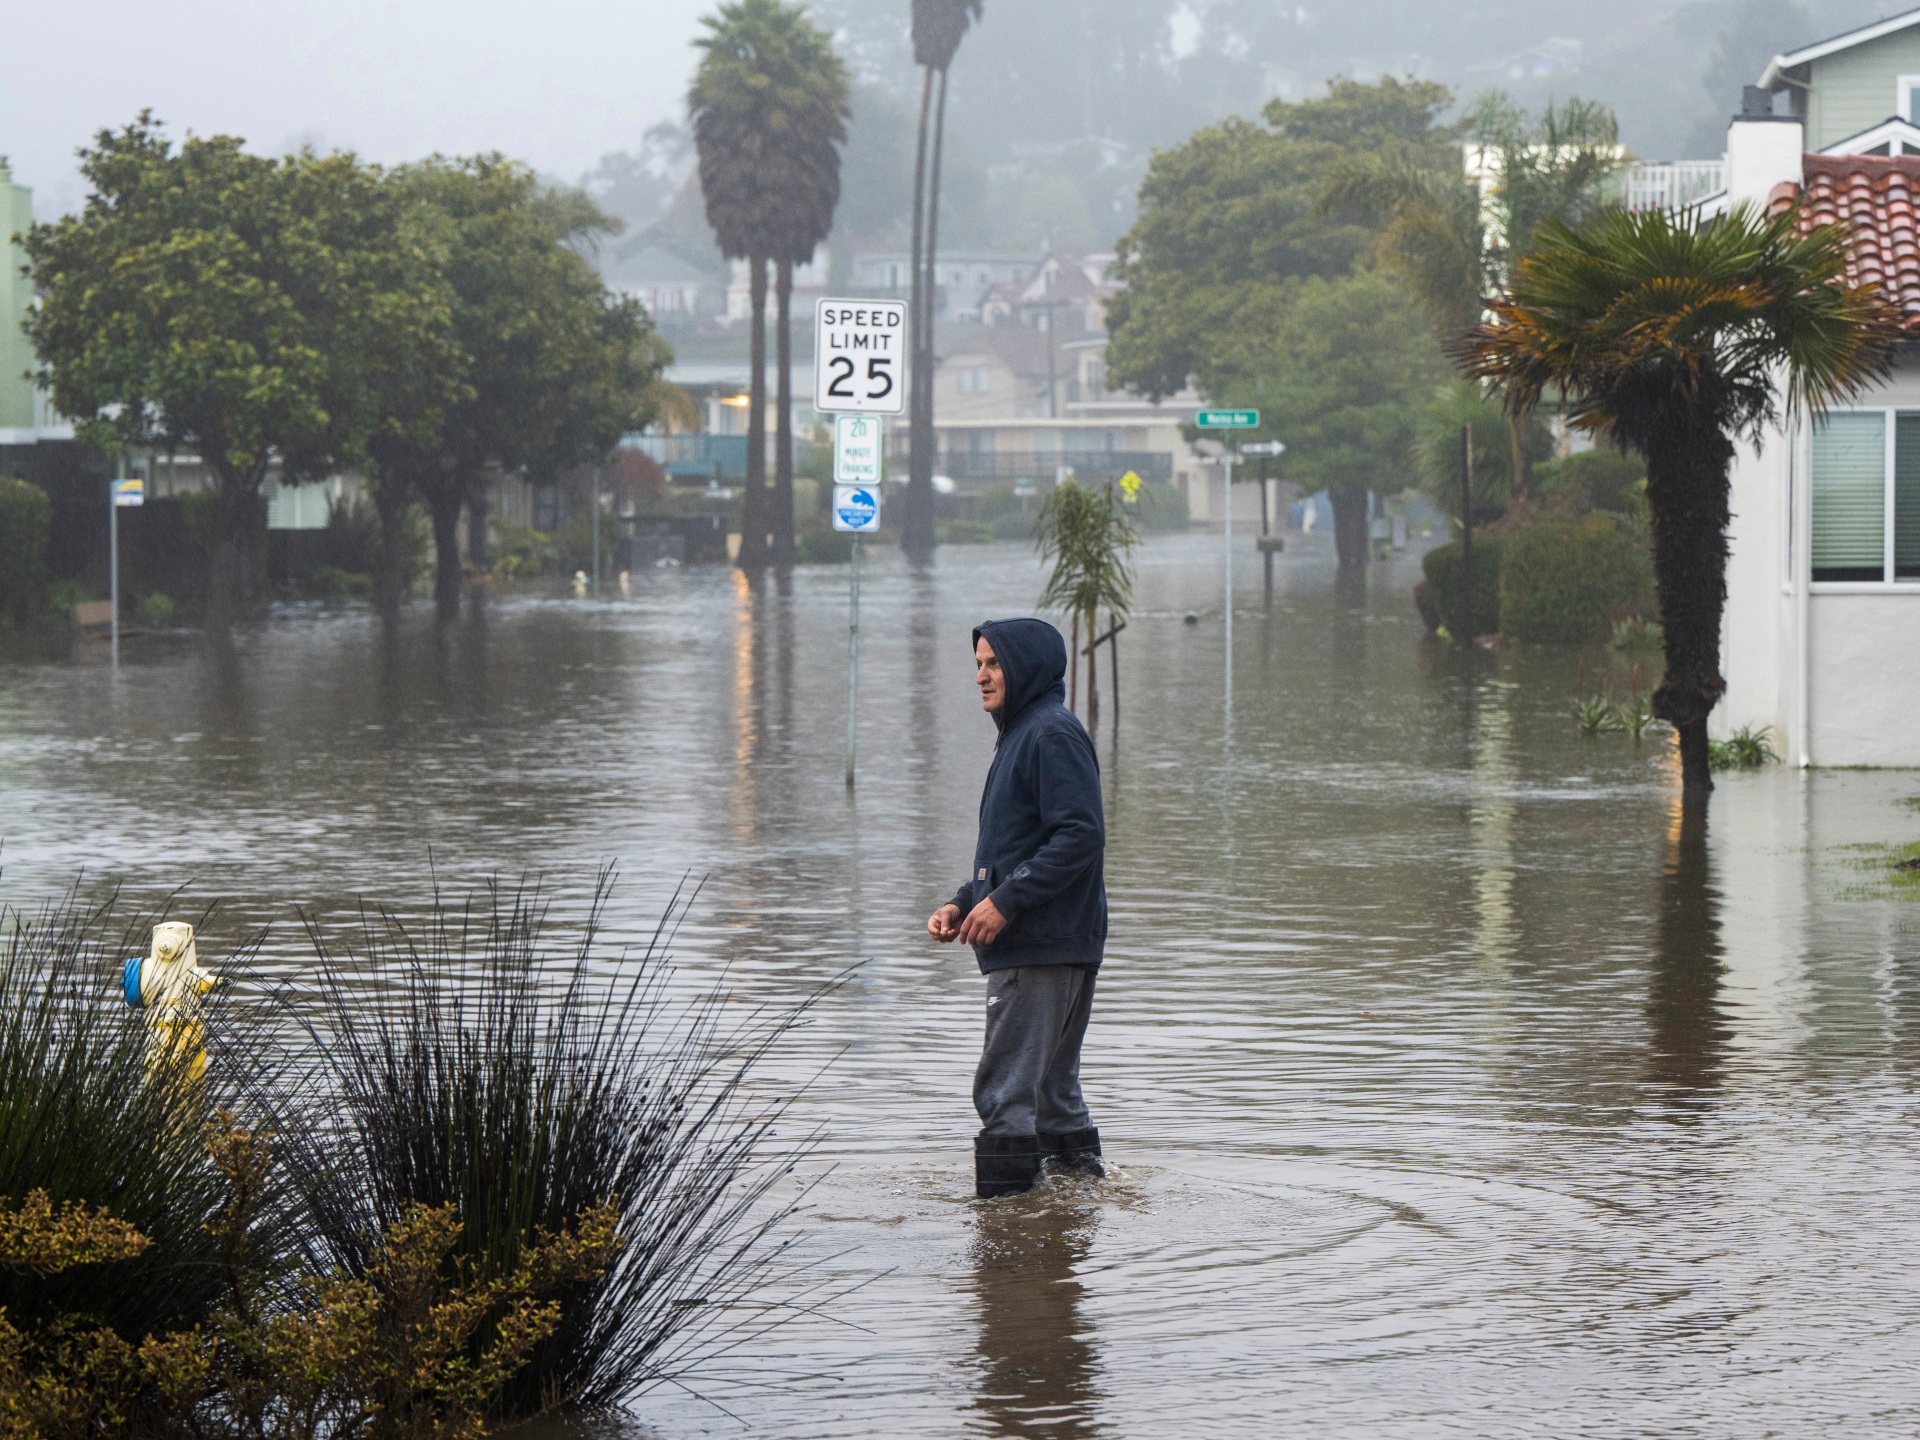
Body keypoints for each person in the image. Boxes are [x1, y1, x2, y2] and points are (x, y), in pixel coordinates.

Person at [928, 618, 1107, 1198]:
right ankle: (1074, 1222)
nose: (981, 676)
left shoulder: (1047, 734)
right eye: (978, 664)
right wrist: (965, 902)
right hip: (1055, 940)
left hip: (1038, 946)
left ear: (1025, 667)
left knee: (1006, 1095)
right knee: (1054, 1098)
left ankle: (1006, 1251)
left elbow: (1080, 835)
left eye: (994, 664)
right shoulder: (1026, 734)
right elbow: (1020, 846)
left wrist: (1005, 903)